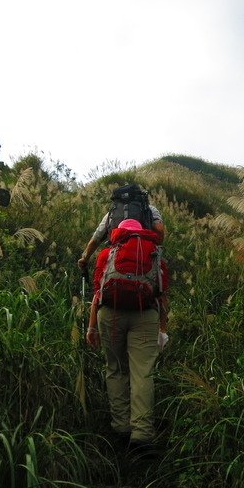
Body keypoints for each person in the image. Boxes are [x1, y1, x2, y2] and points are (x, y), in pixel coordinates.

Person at [86, 219, 170, 454]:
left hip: (110, 315)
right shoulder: (155, 254)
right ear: (142, 233)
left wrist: (91, 327)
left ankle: (121, 427)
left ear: (120, 233)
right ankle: (142, 433)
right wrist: (162, 329)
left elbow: (97, 292)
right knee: (143, 372)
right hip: (145, 315)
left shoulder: (107, 254)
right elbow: (162, 296)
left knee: (115, 368)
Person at [77, 188, 165, 271]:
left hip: (116, 260)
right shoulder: (150, 210)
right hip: (144, 256)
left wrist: (85, 258)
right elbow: (159, 230)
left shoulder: (111, 214)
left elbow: (96, 239)